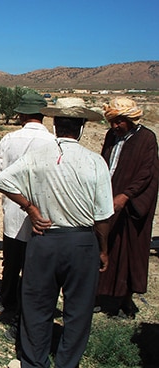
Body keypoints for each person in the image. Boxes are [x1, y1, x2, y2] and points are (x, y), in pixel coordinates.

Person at [0, 105, 114, 368]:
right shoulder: (95, 161)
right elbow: (103, 216)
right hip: (81, 243)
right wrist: (103, 250)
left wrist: (31, 208)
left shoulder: (37, 156)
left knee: (37, 306)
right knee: (78, 311)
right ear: (81, 128)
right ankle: (67, 363)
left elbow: (1, 180)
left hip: (44, 240)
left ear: (56, 125)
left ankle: (34, 362)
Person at [0, 92, 54, 316]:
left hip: (13, 211)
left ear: (22, 115)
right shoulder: (54, 142)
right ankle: (33, 307)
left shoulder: (9, 140)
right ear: (43, 115)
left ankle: (7, 301)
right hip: (44, 215)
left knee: (11, 261)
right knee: (38, 265)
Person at [96, 97, 159, 318]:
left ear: (130, 119)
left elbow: (147, 173)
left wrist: (126, 195)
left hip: (132, 205)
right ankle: (100, 294)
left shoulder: (146, 139)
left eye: (119, 121)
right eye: (112, 121)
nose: (115, 126)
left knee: (128, 250)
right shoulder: (111, 136)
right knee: (104, 243)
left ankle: (124, 300)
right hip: (108, 199)